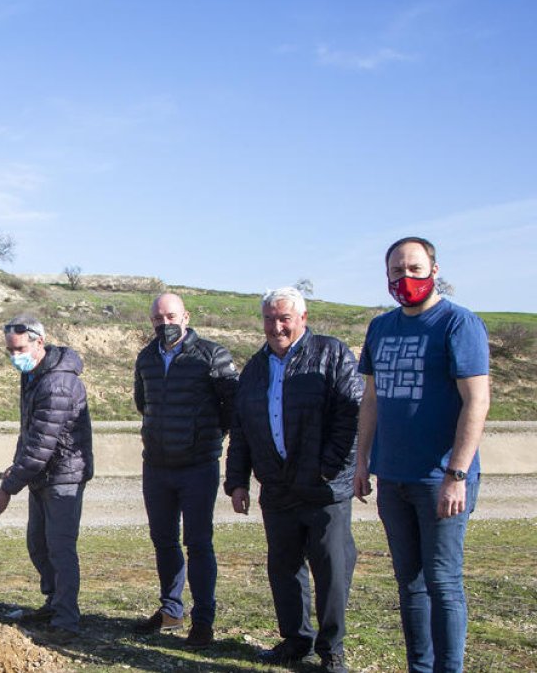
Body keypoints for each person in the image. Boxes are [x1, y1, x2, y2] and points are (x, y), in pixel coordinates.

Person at [354, 237, 490, 673]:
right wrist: (361, 461)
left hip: (440, 478)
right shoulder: (381, 328)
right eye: (397, 271)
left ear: (433, 269)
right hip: (392, 477)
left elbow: (477, 402)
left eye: (414, 268)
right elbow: (371, 401)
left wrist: (457, 473)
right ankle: (420, 667)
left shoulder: (458, 324)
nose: (405, 278)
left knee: (443, 582)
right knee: (409, 585)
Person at [224, 287, 361, 673]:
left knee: (331, 569)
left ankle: (331, 647)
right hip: (277, 487)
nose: (276, 326)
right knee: (283, 567)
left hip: (324, 489)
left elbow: (351, 418)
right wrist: (238, 481)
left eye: (284, 318)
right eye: (269, 318)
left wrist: (326, 469)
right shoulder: (254, 368)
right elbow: (241, 430)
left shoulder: (331, 354)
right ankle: (295, 639)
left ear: (302, 317)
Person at [132, 293, 238, 648]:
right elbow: (141, 403)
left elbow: (230, 408)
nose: (165, 324)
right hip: (157, 467)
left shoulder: (212, 355)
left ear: (186, 317)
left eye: (171, 316)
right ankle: (171, 609)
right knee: (163, 540)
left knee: (198, 543)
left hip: (198, 467)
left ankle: (203, 620)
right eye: (158, 319)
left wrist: (206, 438)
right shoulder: (146, 357)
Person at [0, 315, 93, 646]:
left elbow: (42, 446)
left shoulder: (56, 383)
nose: (14, 356)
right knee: (38, 544)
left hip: (64, 475)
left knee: (60, 549)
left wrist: (7, 488)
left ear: (38, 342)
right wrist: (13, 468)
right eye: (9, 351)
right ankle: (53, 603)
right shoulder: (32, 374)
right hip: (42, 474)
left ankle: (66, 621)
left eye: (18, 349)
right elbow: (29, 434)